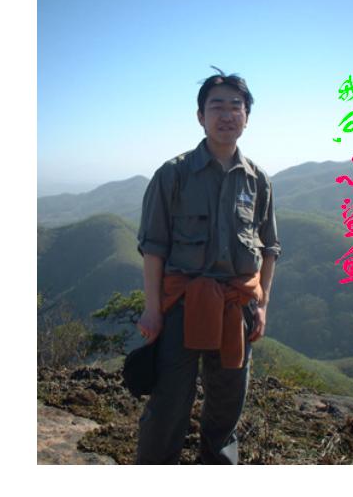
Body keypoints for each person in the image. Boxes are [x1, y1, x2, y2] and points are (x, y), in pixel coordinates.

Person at [135, 68, 281, 464]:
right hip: (182, 306)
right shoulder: (173, 174)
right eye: (217, 106)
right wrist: (152, 309)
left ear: (247, 117)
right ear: (201, 116)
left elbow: (269, 248)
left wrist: (262, 305)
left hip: (237, 306)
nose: (227, 114)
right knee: (168, 404)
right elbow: (153, 248)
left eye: (237, 106)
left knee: (226, 406)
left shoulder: (258, 181)